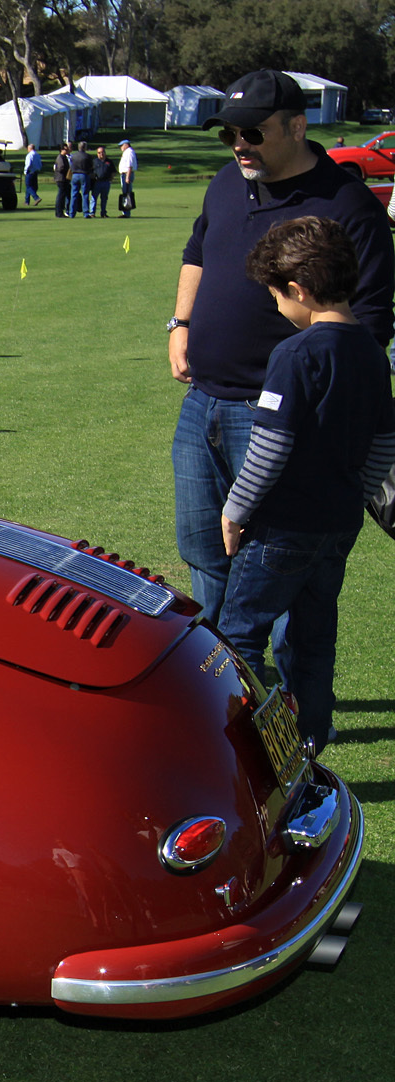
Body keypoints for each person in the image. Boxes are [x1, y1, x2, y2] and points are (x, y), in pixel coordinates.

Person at [169, 69, 395, 628]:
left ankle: (293, 713)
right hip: (203, 400)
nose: (239, 145)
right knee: (204, 550)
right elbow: (197, 249)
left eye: (253, 133)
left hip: (279, 419)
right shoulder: (225, 182)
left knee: (281, 570)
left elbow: (366, 325)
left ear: (298, 126)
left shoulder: (349, 205)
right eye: (229, 135)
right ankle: (225, 693)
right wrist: (180, 324)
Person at [218, 217, 395, 754]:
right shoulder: (369, 347)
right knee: (315, 634)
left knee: (239, 631)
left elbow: (270, 449)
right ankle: (312, 735)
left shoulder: (295, 355)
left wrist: (235, 510)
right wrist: (355, 494)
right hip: (338, 526)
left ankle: (242, 744)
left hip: (282, 526)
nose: (276, 306)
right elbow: (385, 443)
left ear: (298, 290)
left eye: (275, 296)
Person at [69, 144, 94, 220]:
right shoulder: (87, 156)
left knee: (74, 194)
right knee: (85, 194)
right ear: (85, 147)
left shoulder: (73, 156)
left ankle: (71, 213)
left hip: (75, 174)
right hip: (84, 174)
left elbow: (71, 165)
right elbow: (91, 166)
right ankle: (86, 213)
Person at [92, 146, 114, 219]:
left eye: (102, 152)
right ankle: (92, 212)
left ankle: (103, 212)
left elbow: (113, 172)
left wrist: (111, 179)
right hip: (97, 182)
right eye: (99, 153)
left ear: (105, 153)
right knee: (94, 198)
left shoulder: (109, 161)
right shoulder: (94, 161)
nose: (101, 154)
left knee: (104, 198)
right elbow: (90, 171)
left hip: (106, 182)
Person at [116, 140, 137, 217]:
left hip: (126, 174)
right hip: (125, 174)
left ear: (126, 145)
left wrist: (127, 177)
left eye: (121, 146)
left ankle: (126, 212)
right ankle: (125, 211)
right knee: (125, 193)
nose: (120, 148)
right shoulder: (127, 152)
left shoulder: (129, 152)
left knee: (126, 193)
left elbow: (129, 166)